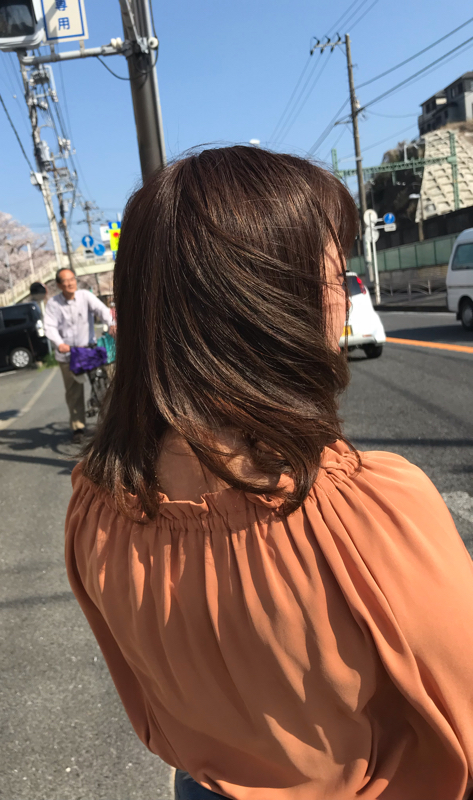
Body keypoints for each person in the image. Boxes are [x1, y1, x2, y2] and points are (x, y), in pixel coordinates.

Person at [64, 148, 473, 799]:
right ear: (270, 306)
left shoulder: (95, 508)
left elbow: (147, 701)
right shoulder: (366, 511)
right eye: (335, 276)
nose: (344, 300)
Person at [44, 268, 114, 440]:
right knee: (73, 392)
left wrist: (112, 323)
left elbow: (102, 310)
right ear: (59, 285)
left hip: (88, 351)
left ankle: (110, 424)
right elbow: (50, 326)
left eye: (72, 279)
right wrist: (59, 343)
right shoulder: (53, 304)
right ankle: (78, 427)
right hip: (68, 354)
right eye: (65, 281)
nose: (70, 283)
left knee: (102, 386)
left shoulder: (85, 296)